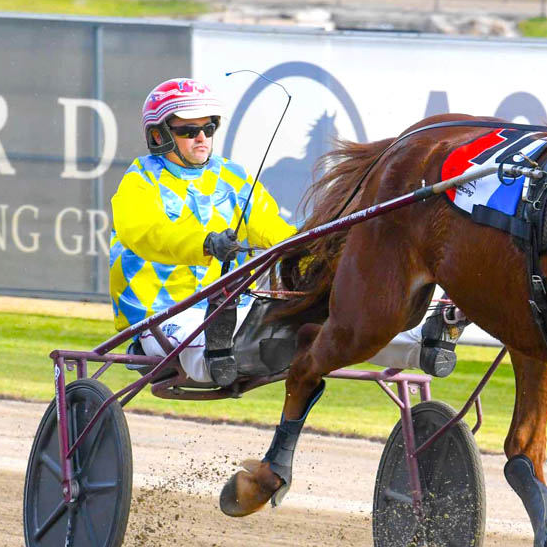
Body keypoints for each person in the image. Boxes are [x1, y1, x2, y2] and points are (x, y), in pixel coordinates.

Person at [109, 78, 465, 386]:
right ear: (158, 136)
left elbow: (273, 231)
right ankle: (215, 351)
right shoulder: (140, 182)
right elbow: (144, 233)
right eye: (188, 131)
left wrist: (322, 245)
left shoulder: (230, 176)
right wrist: (203, 244)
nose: (202, 138)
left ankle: (421, 346)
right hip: (161, 315)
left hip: (231, 307)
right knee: (200, 339)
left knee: (328, 324)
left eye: (209, 129)